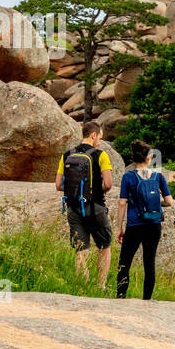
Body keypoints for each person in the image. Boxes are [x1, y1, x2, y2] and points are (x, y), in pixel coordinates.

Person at [115, 139, 175, 300]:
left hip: (135, 225)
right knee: (149, 263)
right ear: (149, 158)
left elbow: (122, 203)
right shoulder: (158, 177)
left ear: (134, 158)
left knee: (124, 263)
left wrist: (119, 228)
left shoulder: (128, 177)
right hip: (154, 225)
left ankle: (120, 298)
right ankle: (147, 300)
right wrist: (158, 203)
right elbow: (169, 202)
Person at [56, 121, 114, 285]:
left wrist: (77, 192)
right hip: (95, 207)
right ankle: (100, 286)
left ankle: (83, 287)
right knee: (104, 247)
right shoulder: (100, 154)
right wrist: (95, 190)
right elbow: (108, 184)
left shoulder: (67, 155)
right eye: (100, 137)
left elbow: (58, 185)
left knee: (80, 250)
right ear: (93, 135)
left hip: (74, 208)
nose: (99, 141)